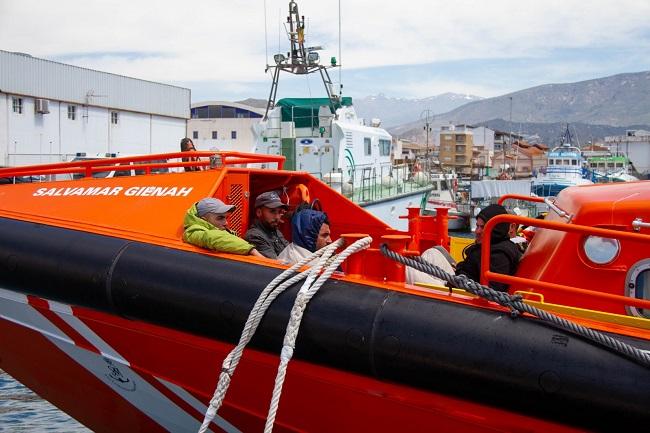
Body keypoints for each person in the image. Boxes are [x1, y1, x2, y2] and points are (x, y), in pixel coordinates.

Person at [455, 204, 522, 292]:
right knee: (437, 251)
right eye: (477, 226)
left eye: (483, 227)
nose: (477, 231)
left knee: (433, 254)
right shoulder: (494, 245)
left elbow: (493, 292)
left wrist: (460, 276)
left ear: (496, 229)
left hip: (462, 291)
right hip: (460, 281)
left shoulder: (500, 255)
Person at [183, 197, 263, 257]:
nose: (226, 223)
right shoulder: (193, 232)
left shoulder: (218, 230)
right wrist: (251, 250)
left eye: (226, 218)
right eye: (220, 218)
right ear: (204, 220)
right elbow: (213, 237)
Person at [244, 191, 289, 259]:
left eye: (279, 212)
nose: (277, 217)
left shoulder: (275, 231)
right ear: (259, 212)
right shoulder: (254, 236)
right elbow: (274, 264)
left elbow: (289, 252)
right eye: (272, 211)